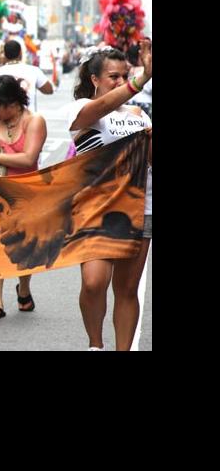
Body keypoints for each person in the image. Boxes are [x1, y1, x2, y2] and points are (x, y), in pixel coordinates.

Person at [67, 40, 152, 351]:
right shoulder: (82, 110)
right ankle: (96, 344)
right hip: (95, 208)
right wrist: (140, 80)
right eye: (113, 76)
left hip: (139, 206)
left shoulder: (140, 114)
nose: (120, 82)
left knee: (127, 289)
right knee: (93, 283)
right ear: (95, 80)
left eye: (124, 76)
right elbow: (98, 110)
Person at [0, 75, 47, 319]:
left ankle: (24, 288)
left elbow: (28, 159)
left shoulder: (34, 121)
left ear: (13, 102)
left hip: (25, 194)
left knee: (24, 249)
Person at [0, 39, 54, 112]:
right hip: (29, 116)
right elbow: (49, 90)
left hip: (6, 116)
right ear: (20, 53)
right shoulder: (34, 70)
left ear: (5, 55)